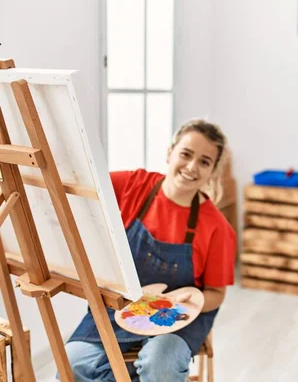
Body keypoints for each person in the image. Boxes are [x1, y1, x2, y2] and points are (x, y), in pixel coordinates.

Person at [63, 119, 236, 382]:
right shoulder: (133, 185)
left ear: (212, 171)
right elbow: (81, 184)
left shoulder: (217, 228)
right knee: (73, 364)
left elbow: (216, 294)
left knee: (160, 366)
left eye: (204, 161)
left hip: (180, 318)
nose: (191, 167)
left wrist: (179, 304)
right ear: (170, 152)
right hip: (124, 307)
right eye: (186, 154)